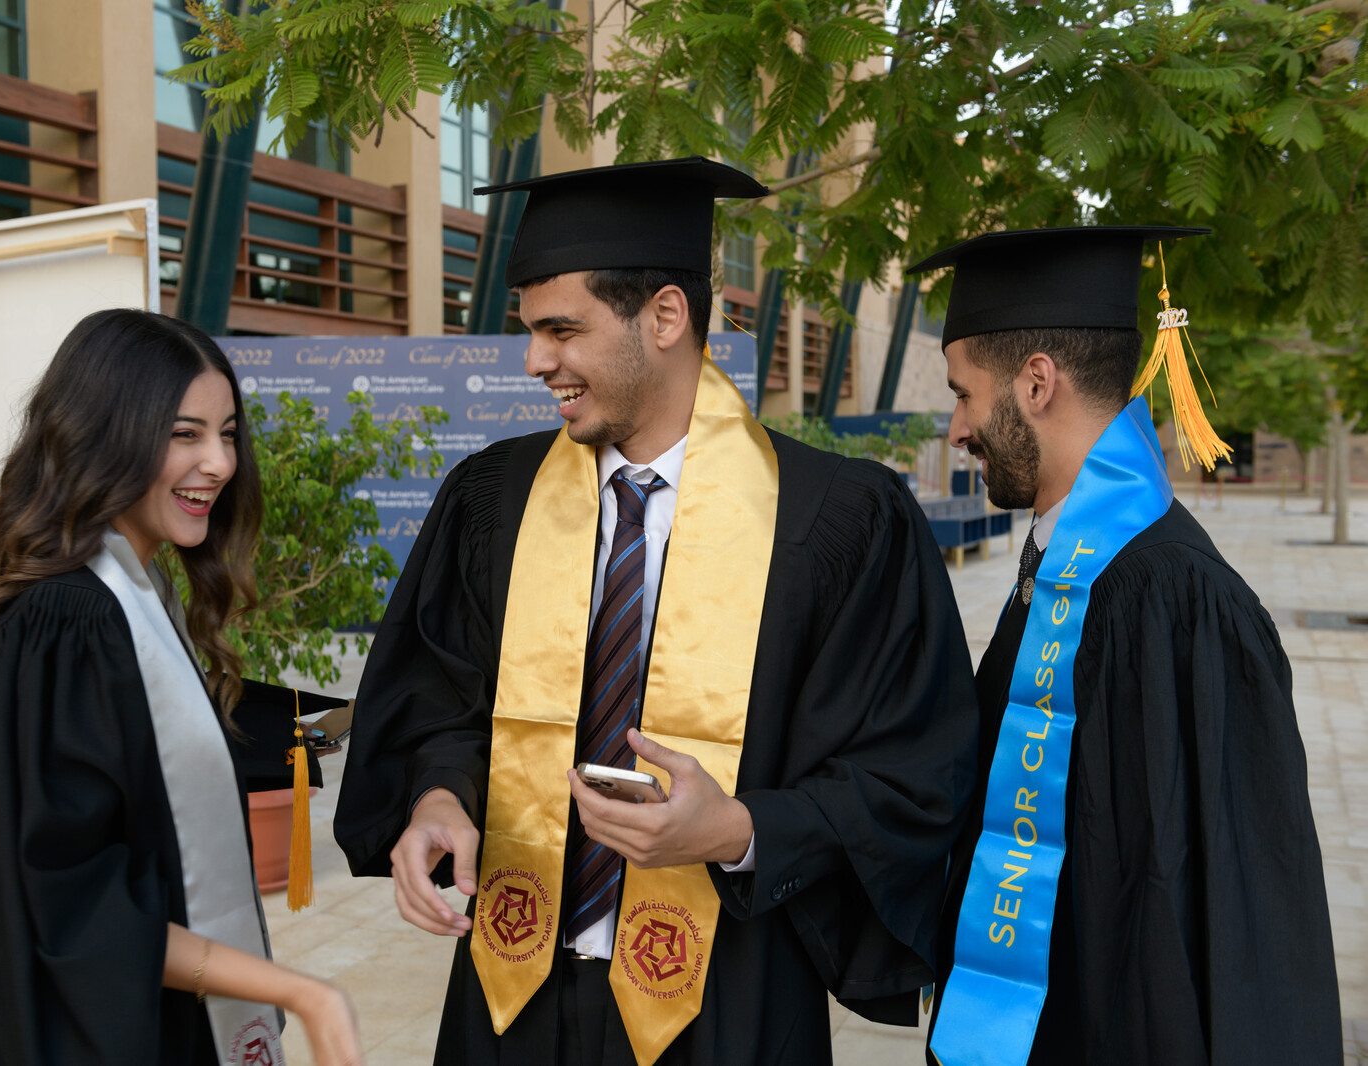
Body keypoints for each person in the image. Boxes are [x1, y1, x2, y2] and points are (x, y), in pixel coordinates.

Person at [334, 157, 981, 1066]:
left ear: (665, 317)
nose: (535, 360)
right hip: (507, 998)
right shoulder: (493, 500)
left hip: (728, 999)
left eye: (563, 329)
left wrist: (738, 829)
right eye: (530, 331)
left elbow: (913, 772)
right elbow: (440, 695)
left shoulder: (838, 521)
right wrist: (438, 796)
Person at [910, 226, 1341, 1065]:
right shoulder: (1057, 569)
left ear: (1036, 383)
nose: (955, 429)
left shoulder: (1179, 600)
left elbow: (1244, 911)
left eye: (963, 395)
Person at [0, 309, 362, 1066]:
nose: (220, 463)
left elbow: (160, 758)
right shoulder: (68, 616)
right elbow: (73, 899)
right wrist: (300, 992)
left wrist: (354, 718)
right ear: (102, 435)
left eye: (227, 434)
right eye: (184, 434)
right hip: (102, 1033)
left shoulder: (125, 585)